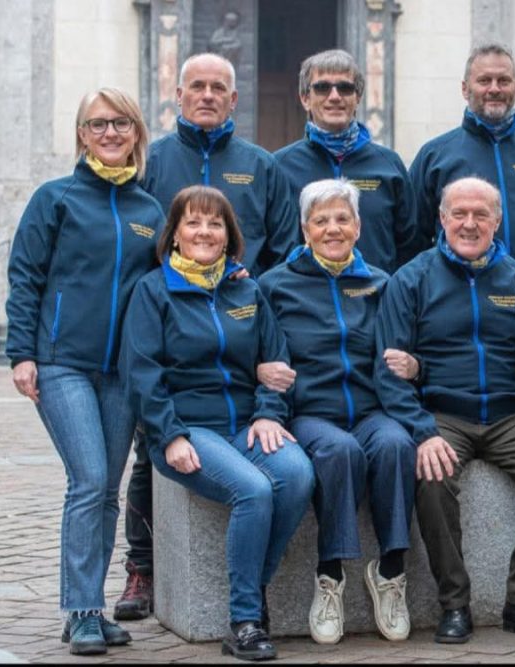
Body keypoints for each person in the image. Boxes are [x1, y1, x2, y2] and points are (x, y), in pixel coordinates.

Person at [117, 52, 300, 622]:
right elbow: (136, 240)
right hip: (173, 327)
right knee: (146, 463)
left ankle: (247, 591)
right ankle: (143, 567)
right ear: (178, 94)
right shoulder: (152, 160)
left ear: (234, 99)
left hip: (237, 316)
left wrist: (246, 295)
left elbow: (283, 247)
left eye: (219, 87)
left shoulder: (260, 165)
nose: (207, 95)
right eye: (196, 86)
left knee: (290, 477)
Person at [375, 177, 515, 644]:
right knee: (431, 477)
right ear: (442, 218)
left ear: (497, 220)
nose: (469, 224)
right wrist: (422, 431)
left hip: (510, 415)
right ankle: (454, 604)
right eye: (459, 214)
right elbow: (387, 371)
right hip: (442, 414)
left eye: (480, 214)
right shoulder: (411, 279)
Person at [120, 186, 314, 661]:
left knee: (296, 474)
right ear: (174, 234)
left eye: (215, 223)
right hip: (188, 430)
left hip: (245, 425)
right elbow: (142, 375)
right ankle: (245, 620)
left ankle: (252, 585)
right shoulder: (153, 291)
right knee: (254, 489)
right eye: (193, 222)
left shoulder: (247, 289)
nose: (204, 232)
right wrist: (169, 434)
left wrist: (267, 412)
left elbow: (276, 363)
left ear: (229, 235)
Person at [5, 87, 162, 655]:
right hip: (62, 363)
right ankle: (82, 610)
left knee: (107, 491)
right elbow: (26, 276)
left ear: (136, 132)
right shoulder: (56, 199)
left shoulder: (149, 211)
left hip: (121, 372)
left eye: (121, 123)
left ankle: (87, 609)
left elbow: (170, 280)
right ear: (82, 134)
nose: (110, 133)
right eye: (98, 124)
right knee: (90, 480)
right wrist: (22, 354)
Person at [257, 179, 416, 644]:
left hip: (370, 409)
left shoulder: (380, 283)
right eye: (321, 220)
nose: (332, 228)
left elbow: (398, 354)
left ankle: (390, 571)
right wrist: (269, 413)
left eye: (342, 219)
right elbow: (271, 362)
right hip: (311, 413)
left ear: (358, 227)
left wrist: (415, 370)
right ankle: (330, 575)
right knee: (339, 450)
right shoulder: (275, 285)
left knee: (396, 444)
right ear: (305, 229)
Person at [408, 42, 515, 270]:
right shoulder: (434, 156)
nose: (494, 89)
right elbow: (412, 240)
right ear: (465, 89)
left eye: (503, 81)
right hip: (457, 289)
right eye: (484, 81)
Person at [272, 49, 422, 273]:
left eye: (345, 88)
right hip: (301, 295)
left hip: (376, 293)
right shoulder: (279, 167)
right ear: (305, 98)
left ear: (357, 97)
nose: (334, 96)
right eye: (322, 88)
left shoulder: (389, 166)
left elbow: (411, 247)